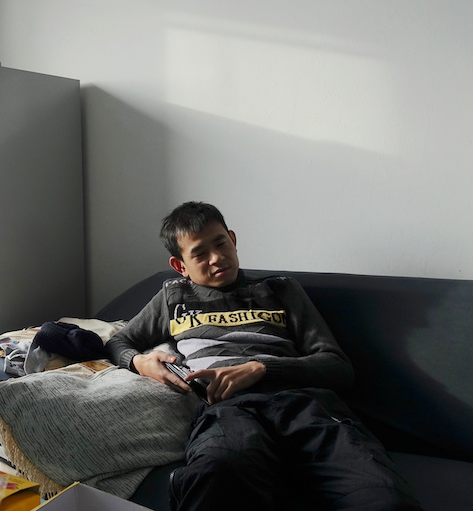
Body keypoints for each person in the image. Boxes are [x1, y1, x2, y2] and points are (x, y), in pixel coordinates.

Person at [106, 201, 421, 510]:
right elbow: (119, 340)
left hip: (305, 406)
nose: (216, 258)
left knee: (384, 500)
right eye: (200, 253)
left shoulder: (280, 290)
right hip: (229, 412)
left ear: (233, 239)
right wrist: (139, 361)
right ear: (181, 266)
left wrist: (261, 368)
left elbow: (338, 367)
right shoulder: (174, 297)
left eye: (221, 243)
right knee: (218, 476)